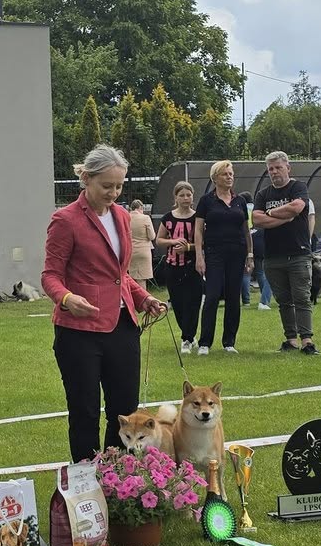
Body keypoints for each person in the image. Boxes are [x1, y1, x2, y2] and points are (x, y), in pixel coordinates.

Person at [45, 144, 168, 462]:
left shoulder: (123, 216)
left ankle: (119, 479)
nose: (113, 193)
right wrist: (67, 298)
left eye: (119, 186)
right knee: (84, 410)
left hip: (123, 329)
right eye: (106, 186)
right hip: (79, 332)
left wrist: (143, 297)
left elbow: (120, 275)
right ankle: (86, 480)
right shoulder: (65, 220)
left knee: (124, 411)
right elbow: (51, 276)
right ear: (86, 179)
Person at [254, 151, 316, 354]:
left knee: (301, 297)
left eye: (278, 167)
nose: (274, 172)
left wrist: (271, 213)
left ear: (288, 168)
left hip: (298, 253)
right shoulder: (263, 194)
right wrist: (284, 216)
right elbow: (256, 219)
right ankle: (291, 340)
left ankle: (307, 341)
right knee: (283, 301)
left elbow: (297, 207)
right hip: (273, 256)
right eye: (270, 169)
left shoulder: (298, 187)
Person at [193, 159, 251, 354]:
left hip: (237, 252)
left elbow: (246, 230)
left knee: (234, 297)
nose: (229, 177)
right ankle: (205, 342)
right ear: (215, 178)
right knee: (212, 296)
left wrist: (250, 255)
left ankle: (229, 342)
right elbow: (198, 230)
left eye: (231, 174)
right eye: (225, 174)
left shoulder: (240, 201)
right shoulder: (206, 201)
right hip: (214, 253)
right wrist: (199, 255)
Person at [157, 181, 204, 353]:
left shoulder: (198, 218)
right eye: (182, 195)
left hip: (192, 266)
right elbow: (159, 240)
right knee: (177, 303)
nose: (185, 198)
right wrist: (173, 241)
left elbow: (204, 242)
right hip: (172, 266)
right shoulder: (168, 218)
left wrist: (188, 247)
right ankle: (187, 335)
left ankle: (188, 337)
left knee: (193, 302)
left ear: (193, 197)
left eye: (188, 195)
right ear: (175, 198)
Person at [127, 200, 157, 286]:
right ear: (140, 208)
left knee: (131, 279)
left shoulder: (126, 217)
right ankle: (142, 295)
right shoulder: (145, 218)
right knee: (142, 279)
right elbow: (152, 236)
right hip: (143, 251)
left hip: (130, 251)